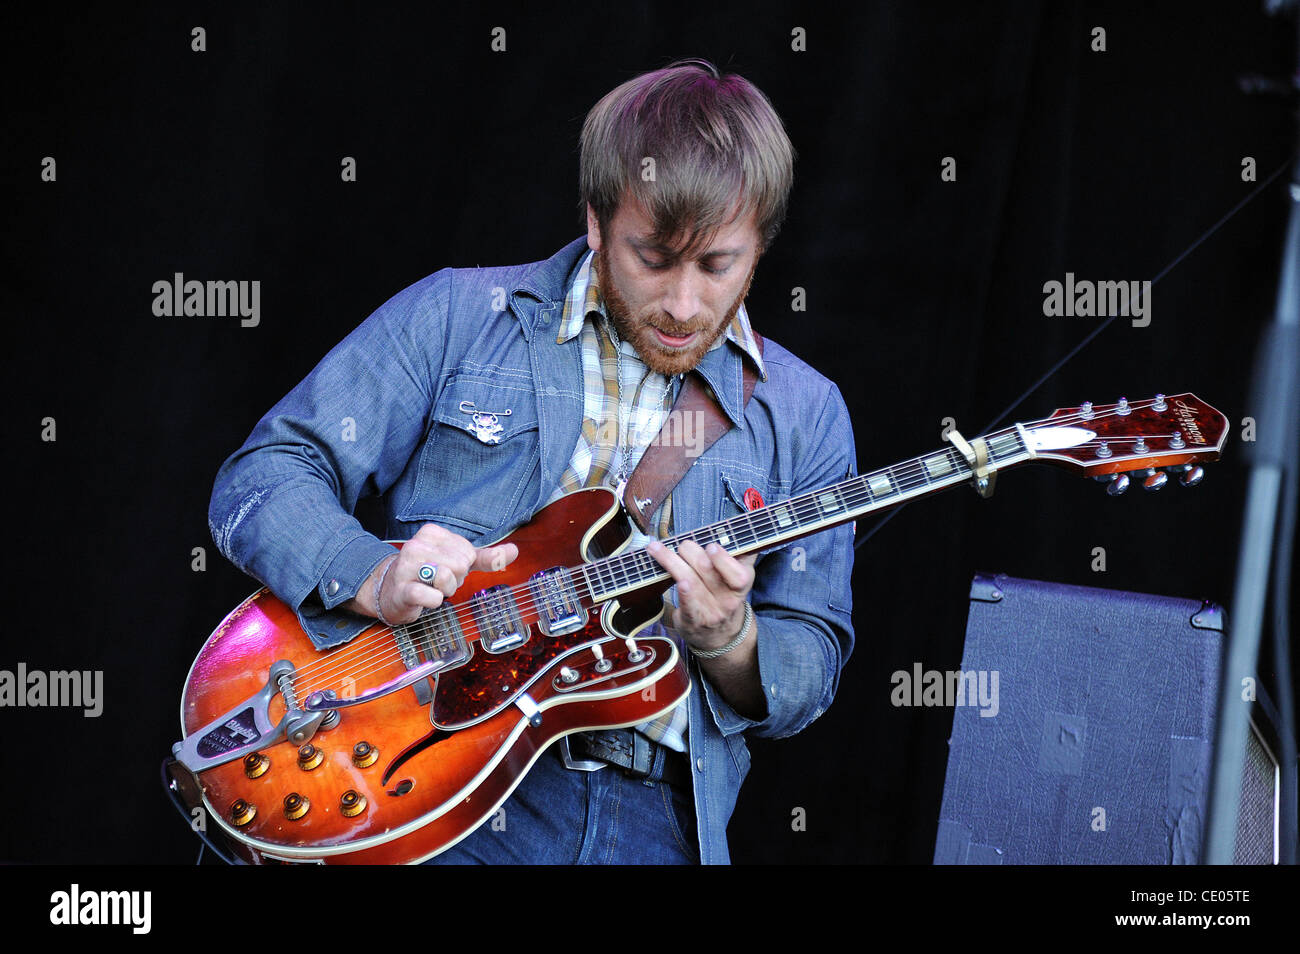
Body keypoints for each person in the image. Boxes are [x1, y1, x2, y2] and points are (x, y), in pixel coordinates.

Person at [209, 58, 857, 864]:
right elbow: (263, 476)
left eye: (717, 264)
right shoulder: (457, 315)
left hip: (655, 818)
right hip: (430, 775)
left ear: (760, 243)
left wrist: (731, 640)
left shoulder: (805, 411)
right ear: (595, 221)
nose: (684, 304)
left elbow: (811, 664)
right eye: (653, 257)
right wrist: (372, 574)